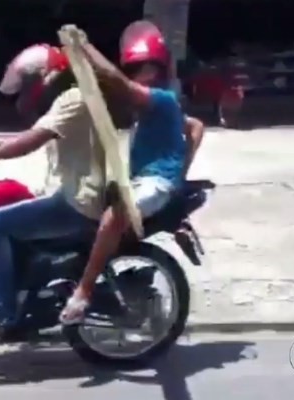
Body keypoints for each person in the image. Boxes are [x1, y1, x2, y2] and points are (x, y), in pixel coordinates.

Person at [0, 43, 113, 335]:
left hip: (79, 203)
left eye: (28, 85)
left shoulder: (73, 99)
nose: (25, 94)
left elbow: (30, 142)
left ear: (47, 78)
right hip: (70, 194)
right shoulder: (67, 100)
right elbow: (24, 136)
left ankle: (1, 306)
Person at [59, 21, 204, 324]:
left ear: (160, 70)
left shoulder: (162, 98)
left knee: (116, 215)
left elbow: (116, 81)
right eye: (135, 69)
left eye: (146, 69)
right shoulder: (160, 106)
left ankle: (83, 293)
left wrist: (83, 45)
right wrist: (183, 165)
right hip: (146, 180)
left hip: (156, 182)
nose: (139, 76)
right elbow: (195, 127)